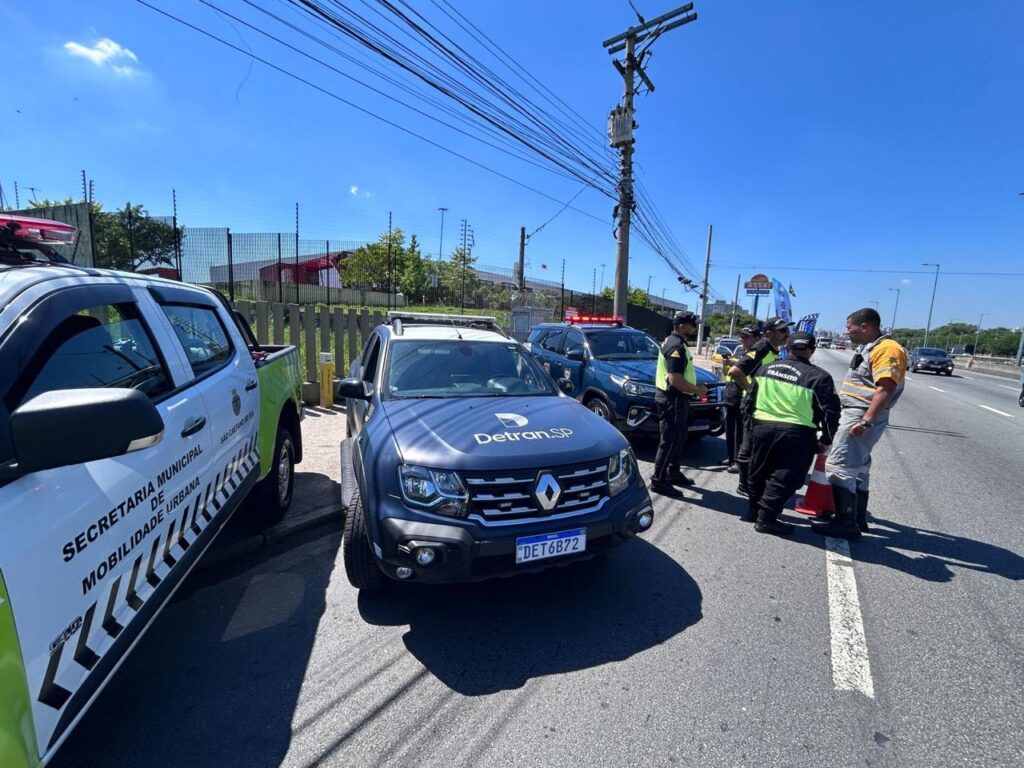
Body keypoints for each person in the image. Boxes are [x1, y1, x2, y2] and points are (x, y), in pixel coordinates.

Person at [813, 307, 907, 540]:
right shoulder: (873, 347)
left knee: (839, 466)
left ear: (865, 326)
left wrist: (866, 421)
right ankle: (857, 518)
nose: (847, 332)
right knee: (859, 466)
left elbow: (886, 388)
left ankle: (845, 523)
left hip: (860, 414)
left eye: (849, 327)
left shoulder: (888, 349)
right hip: (858, 413)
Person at [744, 332, 840, 534]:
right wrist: (826, 438)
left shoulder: (765, 369)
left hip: (762, 427)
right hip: (797, 433)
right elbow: (830, 412)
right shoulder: (819, 377)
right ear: (812, 350)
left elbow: (748, 402)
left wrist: (749, 428)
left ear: (787, 348)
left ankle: (754, 510)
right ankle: (766, 519)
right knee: (785, 477)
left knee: (758, 471)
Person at [729, 317, 791, 495]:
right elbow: (736, 371)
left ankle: (752, 482)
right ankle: (744, 485)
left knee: (757, 446)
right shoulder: (762, 347)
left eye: (787, 330)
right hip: (753, 405)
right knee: (749, 446)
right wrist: (752, 393)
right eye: (782, 331)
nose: (787, 334)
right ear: (769, 333)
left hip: (764, 405)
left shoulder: (774, 349)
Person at [651, 311, 707, 497]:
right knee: (669, 441)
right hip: (672, 399)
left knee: (678, 437)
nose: (696, 327)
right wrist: (697, 390)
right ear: (682, 326)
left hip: (677, 399)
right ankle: (658, 481)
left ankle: (673, 472)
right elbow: (675, 379)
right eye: (693, 324)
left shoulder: (676, 342)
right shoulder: (676, 346)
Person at [721, 323, 762, 473]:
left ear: (757, 338)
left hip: (743, 395)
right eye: (741, 336)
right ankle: (731, 458)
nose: (742, 339)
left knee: (740, 431)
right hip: (730, 393)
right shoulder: (741, 351)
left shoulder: (757, 354)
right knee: (729, 429)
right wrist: (726, 364)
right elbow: (728, 373)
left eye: (746, 336)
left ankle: (739, 461)